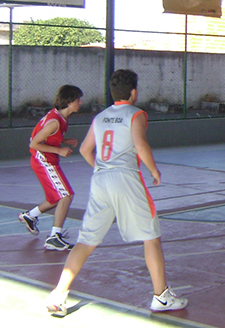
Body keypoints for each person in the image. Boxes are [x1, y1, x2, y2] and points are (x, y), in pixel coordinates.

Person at [45, 70, 188, 316]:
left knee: (86, 240)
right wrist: (154, 170)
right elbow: (140, 144)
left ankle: (59, 295)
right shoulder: (136, 114)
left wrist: (103, 169)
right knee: (151, 236)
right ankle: (161, 297)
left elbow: (86, 150)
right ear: (134, 92)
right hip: (126, 178)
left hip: (100, 180)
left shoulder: (100, 117)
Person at [20, 85, 82, 251]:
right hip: (43, 161)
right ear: (69, 102)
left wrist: (64, 141)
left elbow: (50, 138)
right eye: (78, 99)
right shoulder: (54, 122)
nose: (80, 103)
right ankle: (54, 236)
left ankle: (30, 216)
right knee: (66, 195)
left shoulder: (61, 118)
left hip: (48, 160)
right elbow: (34, 143)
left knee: (55, 198)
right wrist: (59, 150)